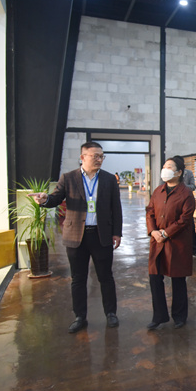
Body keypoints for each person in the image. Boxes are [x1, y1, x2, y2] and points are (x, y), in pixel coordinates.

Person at [30, 142, 122, 334]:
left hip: (101, 235)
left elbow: (116, 208)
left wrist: (117, 232)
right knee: (78, 278)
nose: (99, 159)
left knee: (106, 277)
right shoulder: (68, 178)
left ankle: (111, 313)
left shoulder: (108, 179)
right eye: (95, 156)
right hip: (76, 236)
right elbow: (56, 198)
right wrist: (45, 200)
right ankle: (80, 317)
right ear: (82, 157)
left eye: (101, 156)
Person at [145, 157, 196, 330]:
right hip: (157, 241)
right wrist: (153, 231)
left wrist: (166, 233)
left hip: (176, 242)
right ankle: (159, 316)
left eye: (169, 167)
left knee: (177, 279)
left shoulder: (186, 194)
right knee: (155, 277)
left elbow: (185, 219)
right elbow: (150, 211)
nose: (165, 169)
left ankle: (179, 316)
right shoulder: (158, 191)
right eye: (164, 166)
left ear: (179, 172)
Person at [172, 155, 196, 260]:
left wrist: (181, 187)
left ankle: (194, 250)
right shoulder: (168, 174)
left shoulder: (188, 173)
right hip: (173, 204)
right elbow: (161, 187)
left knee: (191, 227)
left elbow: (193, 186)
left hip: (186, 203)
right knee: (173, 227)